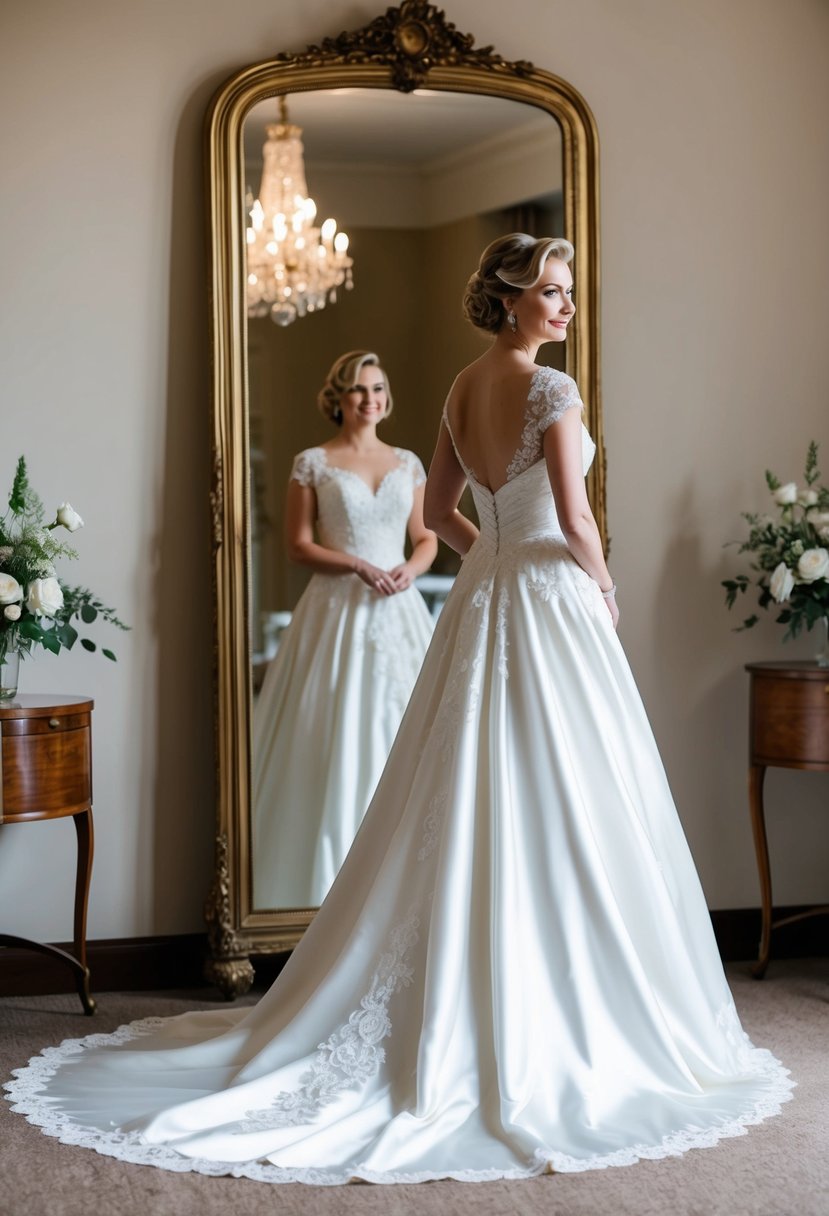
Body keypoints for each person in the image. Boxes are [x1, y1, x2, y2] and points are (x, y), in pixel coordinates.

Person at [5, 236, 793, 1184]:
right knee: (569, 782)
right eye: (550, 293)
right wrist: (600, 583)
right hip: (548, 598)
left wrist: (495, 548)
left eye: (569, 292)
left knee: (467, 779)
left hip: (489, 595)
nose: (566, 307)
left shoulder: (462, 388)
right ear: (510, 303)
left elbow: (445, 514)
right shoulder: (554, 391)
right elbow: (578, 517)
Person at [252, 350, 436, 908]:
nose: (370, 398)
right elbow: (297, 545)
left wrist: (412, 567)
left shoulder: (407, 463)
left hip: (399, 611)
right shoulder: (313, 462)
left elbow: (426, 538)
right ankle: (323, 889)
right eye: (359, 389)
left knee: (411, 730)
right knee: (329, 731)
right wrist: (356, 564)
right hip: (335, 609)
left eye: (378, 388)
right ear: (338, 398)